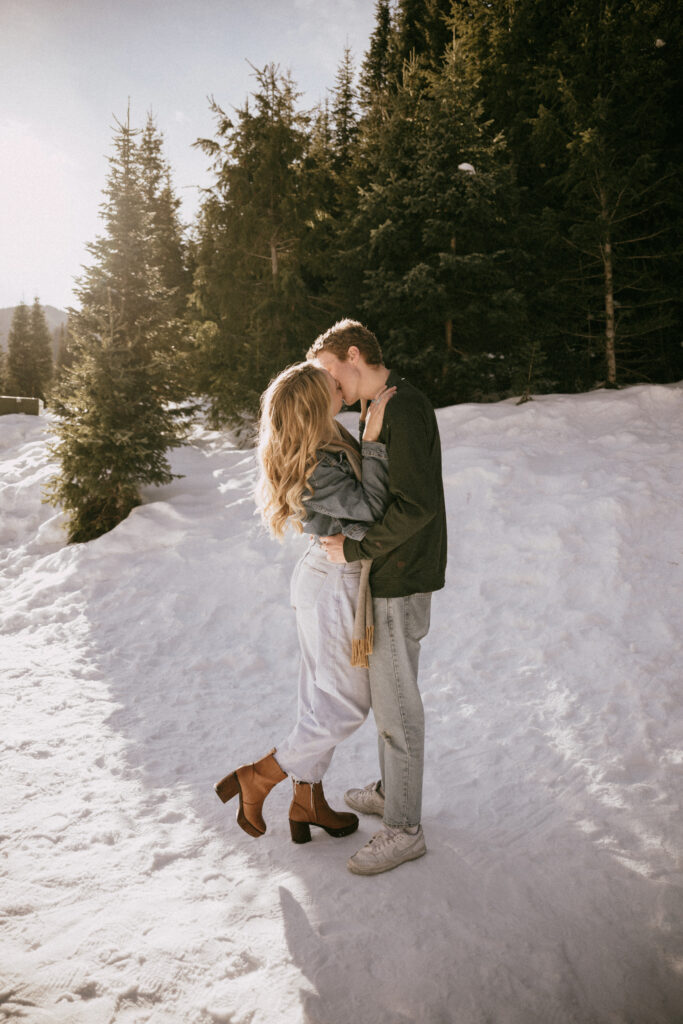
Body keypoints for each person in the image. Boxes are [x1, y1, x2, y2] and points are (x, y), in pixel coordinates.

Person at [214, 361, 396, 845]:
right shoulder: (317, 463)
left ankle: (307, 801)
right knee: (344, 707)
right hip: (332, 581)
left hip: (326, 575)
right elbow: (372, 508)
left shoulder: (325, 442)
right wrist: (373, 441)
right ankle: (259, 776)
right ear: (316, 406)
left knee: (320, 700)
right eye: (330, 385)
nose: (339, 384)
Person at [308, 319, 447, 875]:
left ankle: (404, 829)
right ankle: (393, 790)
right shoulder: (376, 407)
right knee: (389, 696)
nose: (327, 385)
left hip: (401, 574)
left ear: (353, 354)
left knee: (397, 704)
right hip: (388, 572)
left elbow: (417, 506)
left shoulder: (403, 408)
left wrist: (356, 548)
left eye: (328, 371)